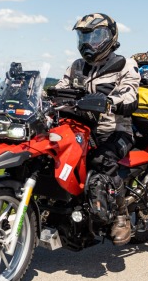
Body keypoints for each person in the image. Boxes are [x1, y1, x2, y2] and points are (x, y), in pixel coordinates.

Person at [55, 13, 140, 246]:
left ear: (111, 37)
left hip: (115, 131)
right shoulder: (76, 66)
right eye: (84, 37)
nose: (88, 43)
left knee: (103, 160)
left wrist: (110, 102)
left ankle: (121, 217)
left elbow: (130, 94)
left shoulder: (124, 64)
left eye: (95, 36)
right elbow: (60, 90)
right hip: (81, 130)